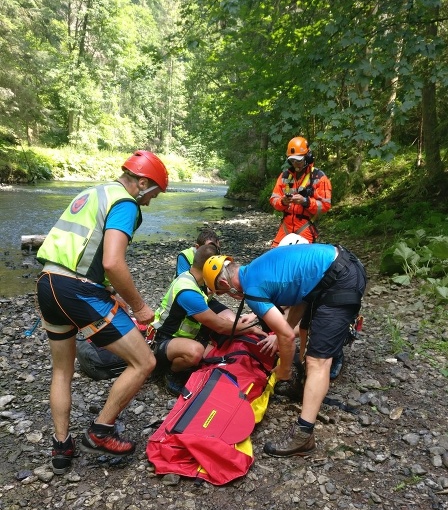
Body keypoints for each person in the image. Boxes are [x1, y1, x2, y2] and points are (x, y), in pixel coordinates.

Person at [36, 150, 168, 474]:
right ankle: (101, 431)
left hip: (47, 283)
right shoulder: (125, 202)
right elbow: (111, 261)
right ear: (141, 182)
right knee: (145, 361)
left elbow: (85, 254)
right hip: (76, 290)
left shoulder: (93, 192)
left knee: (62, 371)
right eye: (153, 194)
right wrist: (139, 306)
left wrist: (109, 294)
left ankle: (61, 447)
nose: (150, 202)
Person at [203, 243, 366, 458]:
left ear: (225, 283)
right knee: (306, 330)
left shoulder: (252, 288)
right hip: (334, 271)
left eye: (222, 292)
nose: (229, 296)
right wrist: (281, 336)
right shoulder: (257, 268)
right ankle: (303, 387)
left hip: (340, 278)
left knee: (318, 361)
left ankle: (303, 435)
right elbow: (300, 299)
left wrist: (285, 369)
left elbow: (287, 336)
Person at [152, 245, 262, 395]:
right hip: (164, 340)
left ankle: (185, 363)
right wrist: (251, 328)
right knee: (195, 353)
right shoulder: (188, 292)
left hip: (187, 336)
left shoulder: (197, 279)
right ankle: (171, 373)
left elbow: (217, 295)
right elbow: (220, 326)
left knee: (217, 356)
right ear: (208, 266)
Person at [269, 136, 332, 247]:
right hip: (285, 226)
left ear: (308, 157)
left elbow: (325, 205)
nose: (295, 163)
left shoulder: (318, 177)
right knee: (274, 258)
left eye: (299, 160)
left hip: (305, 227)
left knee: (303, 261)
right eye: (292, 160)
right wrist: (283, 202)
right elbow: (274, 200)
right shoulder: (284, 176)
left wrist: (305, 201)